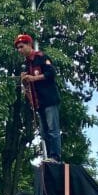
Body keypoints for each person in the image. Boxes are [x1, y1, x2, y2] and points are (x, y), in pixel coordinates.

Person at [15, 34, 62, 162]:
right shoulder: (25, 64)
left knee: (53, 130)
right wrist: (24, 80)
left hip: (49, 99)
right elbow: (28, 86)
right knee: (44, 132)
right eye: (18, 48)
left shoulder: (41, 57)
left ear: (29, 45)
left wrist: (34, 78)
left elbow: (51, 73)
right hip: (38, 102)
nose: (19, 50)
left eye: (21, 47)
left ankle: (55, 157)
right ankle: (49, 158)